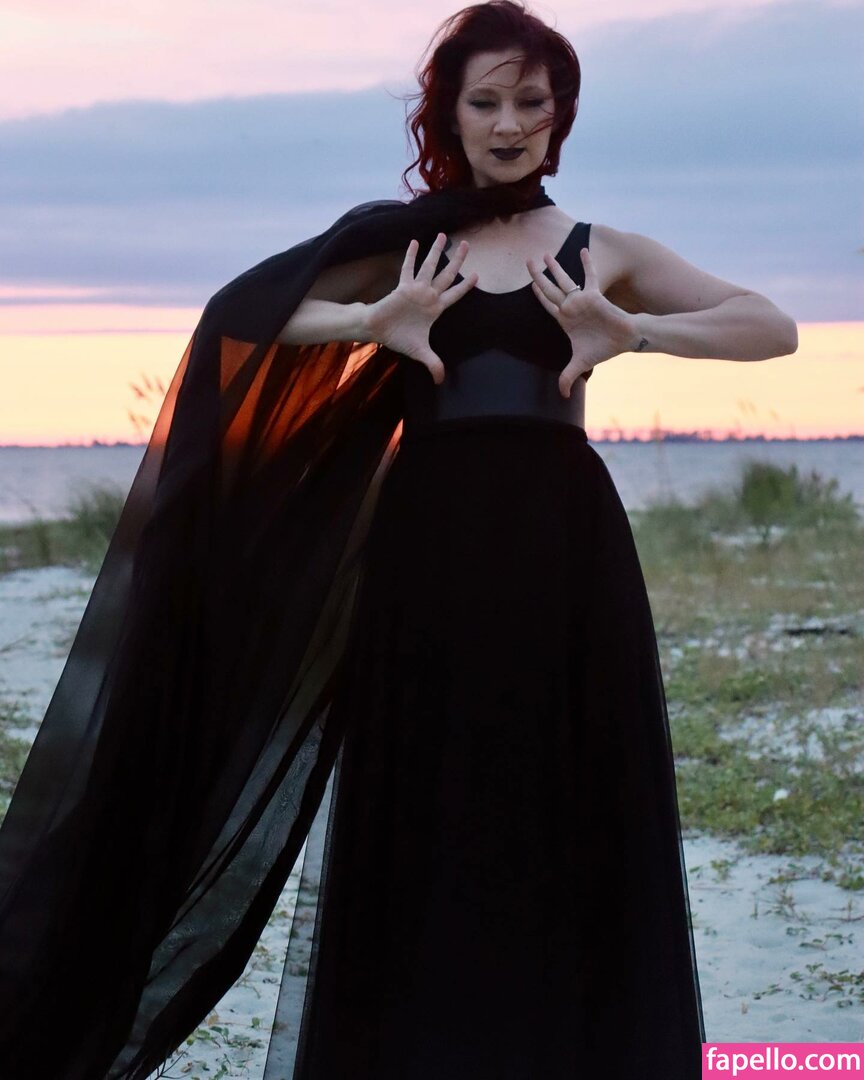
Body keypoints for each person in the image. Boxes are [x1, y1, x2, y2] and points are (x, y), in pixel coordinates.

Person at [0, 2, 797, 1078]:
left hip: (567, 552)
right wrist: (370, 322)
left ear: (560, 116)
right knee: (426, 794)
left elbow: (772, 326)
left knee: (569, 788)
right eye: (485, 101)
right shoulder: (410, 247)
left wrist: (637, 331)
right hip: (428, 547)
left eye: (530, 101)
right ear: (450, 115)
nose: (508, 123)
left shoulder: (604, 249)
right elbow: (242, 316)